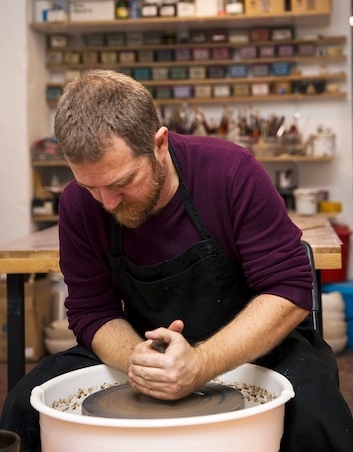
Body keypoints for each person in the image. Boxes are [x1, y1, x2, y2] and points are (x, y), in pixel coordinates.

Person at [1, 69, 352, 452]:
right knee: (24, 403)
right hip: (145, 343)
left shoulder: (231, 173)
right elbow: (92, 312)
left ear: (160, 144)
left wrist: (200, 363)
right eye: (91, 187)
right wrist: (141, 362)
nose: (107, 203)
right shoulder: (78, 205)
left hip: (255, 343)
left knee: (317, 412)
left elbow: (289, 289)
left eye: (121, 183)